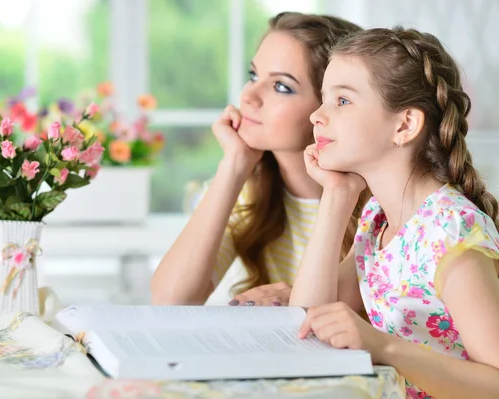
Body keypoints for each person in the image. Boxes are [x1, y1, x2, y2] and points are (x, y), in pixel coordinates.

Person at [291, 26, 499, 398]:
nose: (316, 116)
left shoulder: (449, 233)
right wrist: (337, 194)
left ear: (404, 125)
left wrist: (384, 348)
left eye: (342, 101)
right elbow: (307, 315)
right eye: (323, 99)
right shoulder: (378, 220)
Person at [150, 12, 366, 306]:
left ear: (328, 107)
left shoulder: (377, 200)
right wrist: (235, 165)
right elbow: (171, 301)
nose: (249, 96)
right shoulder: (248, 191)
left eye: (281, 86)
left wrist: (296, 297)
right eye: (253, 75)